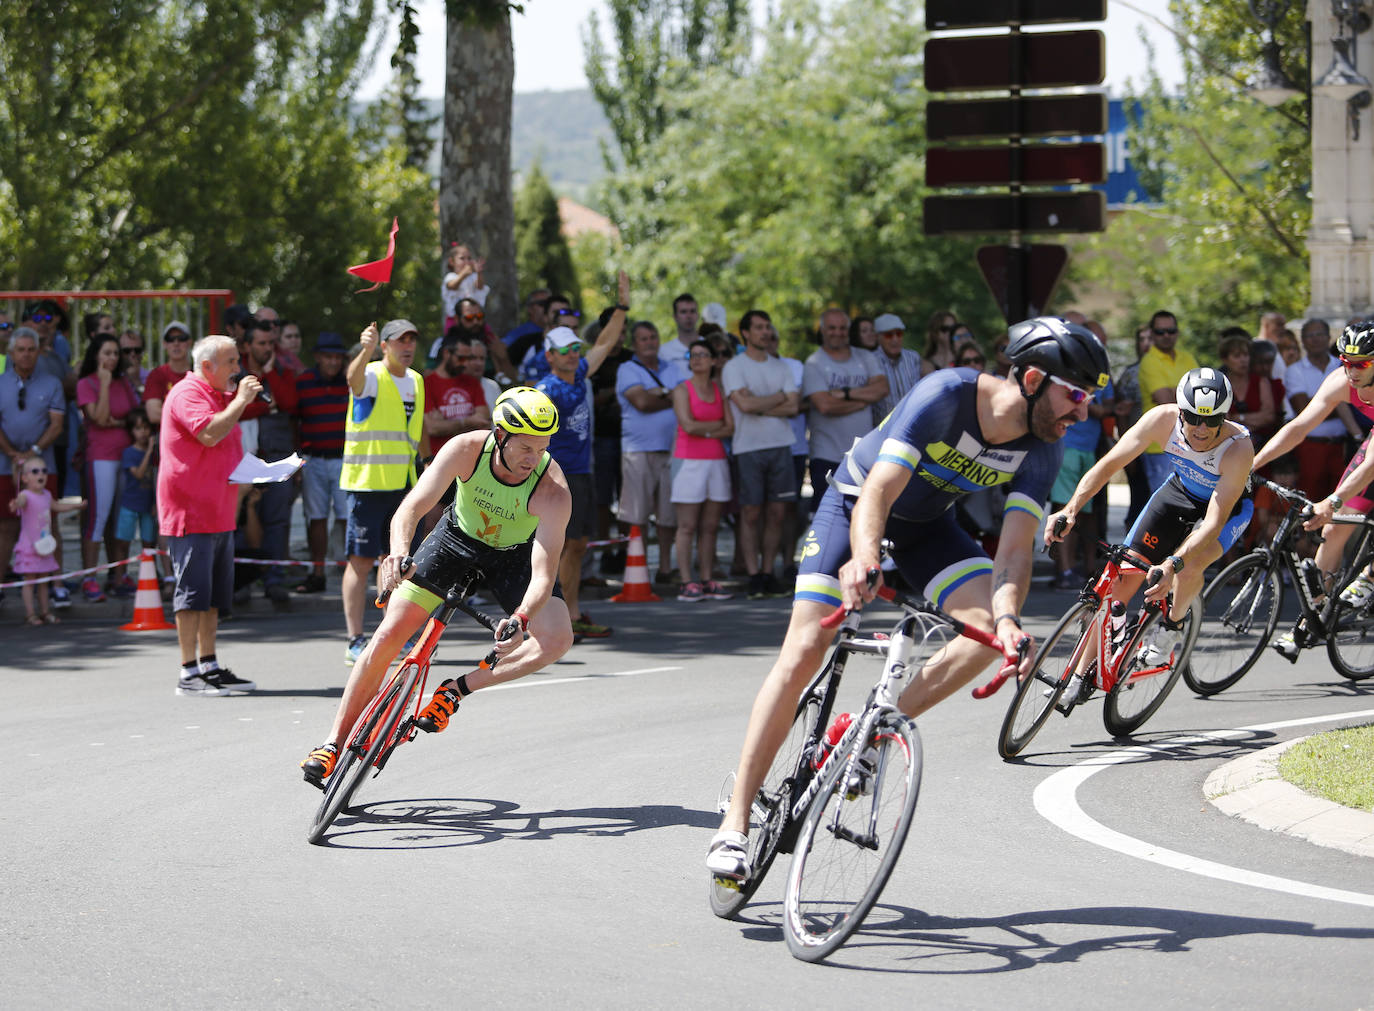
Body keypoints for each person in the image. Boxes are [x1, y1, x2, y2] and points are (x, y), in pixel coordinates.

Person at [706, 316, 1110, 882]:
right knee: (804, 649)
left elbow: (1015, 551)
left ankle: (868, 730)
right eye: (1076, 395)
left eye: (1089, 398)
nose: (1082, 412)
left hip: (926, 528)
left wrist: (1009, 618)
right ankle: (736, 822)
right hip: (854, 507)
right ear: (1033, 378)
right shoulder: (946, 394)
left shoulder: (1041, 449)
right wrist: (864, 557)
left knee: (985, 640)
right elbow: (879, 487)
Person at [300, 386, 575, 785]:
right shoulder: (465, 449)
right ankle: (332, 743)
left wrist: (520, 617)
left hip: (513, 555)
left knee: (557, 639)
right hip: (455, 541)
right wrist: (397, 553)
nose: (534, 460)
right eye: (525, 448)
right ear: (500, 436)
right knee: (390, 633)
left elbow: (544, 574)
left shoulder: (553, 491)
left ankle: (455, 691)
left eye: (542, 448)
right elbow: (411, 508)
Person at [1046, 367, 1252, 670]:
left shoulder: (1239, 447)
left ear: (1225, 417)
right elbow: (1109, 464)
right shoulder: (1162, 420)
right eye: (1193, 418)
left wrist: (1171, 564)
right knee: (1123, 577)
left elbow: (1212, 522)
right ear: (1180, 411)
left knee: (1190, 565)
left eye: (1213, 420)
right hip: (1180, 494)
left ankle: (1171, 627)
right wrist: (1070, 509)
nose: (1202, 429)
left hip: (1225, 510)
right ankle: (1079, 675)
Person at [1252, 321, 1374, 658]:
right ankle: (1313, 621)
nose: (1351, 370)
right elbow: (1299, 427)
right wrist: (1252, 464)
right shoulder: (1341, 380)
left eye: (1361, 363)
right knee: (1334, 530)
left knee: (1336, 508)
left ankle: (1369, 576)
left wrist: (1332, 501)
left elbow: (1370, 468)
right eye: (1345, 361)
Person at [158, 335, 259, 696]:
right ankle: (188, 672)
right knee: (192, 595)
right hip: (191, 511)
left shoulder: (220, 396)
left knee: (215, 596)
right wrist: (242, 400)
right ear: (207, 367)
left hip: (219, 511)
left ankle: (210, 665)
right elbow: (209, 434)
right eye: (231, 362)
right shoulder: (188, 394)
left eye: (237, 360)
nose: (237, 368)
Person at [536, 277, 630, 639]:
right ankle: (553, 617)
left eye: (576, 347)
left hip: (581, 473)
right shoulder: (546, 390)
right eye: (565, 350)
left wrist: (621, 308)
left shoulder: (579, 377)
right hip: (557, 476)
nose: (573, 353)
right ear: (550, 356)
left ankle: (569, 613)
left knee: (576, 545)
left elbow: (605, 342)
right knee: (560, 546)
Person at [341, 319, 428, 665]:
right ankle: (354, 639)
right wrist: (364, 349)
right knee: (360, 562)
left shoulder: (417, 380)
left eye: (412, 340)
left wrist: (427, 470)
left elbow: (418, 431)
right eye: (399, 341)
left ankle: (389, 635)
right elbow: (353, 380)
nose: (407, 346)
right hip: (367, 484)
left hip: (403, 486)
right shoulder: (373, 374)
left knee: (393, 562)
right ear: (385, 346)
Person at [720, 309, 800, 598]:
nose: (766, 332)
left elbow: (794, 406)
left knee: (777, 513)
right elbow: (745, 406)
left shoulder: (780, 366)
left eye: (768, 327)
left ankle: (768, 572)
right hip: (748, 448)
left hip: (780, 445)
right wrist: (777, 399)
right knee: (751, 513)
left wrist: (760, 405)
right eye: (759, 328)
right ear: (746, 333)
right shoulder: (734, 366)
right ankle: (754, 575)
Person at [615, 319, 685, 585]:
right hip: (637, 450)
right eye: (644, 339)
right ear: (635, 344)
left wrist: (661, 392)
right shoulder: (627, 369)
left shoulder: (672, 367)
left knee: (668, 516)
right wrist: (670, 395)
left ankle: (666, 568)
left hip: (671, 450)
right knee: (637, 515)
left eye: (653, 337)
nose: (650, 342)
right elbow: (642, 402)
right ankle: (640, 569)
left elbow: (684, 396)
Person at [801, 308, 888, 517]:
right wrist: (861, 402)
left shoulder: (864, 357)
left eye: (842, 328)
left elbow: (882, 389)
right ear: (822, 330)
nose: (837, 332)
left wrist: (845, 393)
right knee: (827, 517)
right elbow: (825, 406)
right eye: (832, 328)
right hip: (826, 455)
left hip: (863, 455)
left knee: (863, 517)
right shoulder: (814, 363)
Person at [0, 328, 66, 589]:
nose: (26, 355)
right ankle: (2, 587)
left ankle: (57, 586)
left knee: (49, 523)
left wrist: (32, 453)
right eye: (21, 350)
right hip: (5, 465)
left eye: (31, 349)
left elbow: (56, 425)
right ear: (11, 353)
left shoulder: (52, 383)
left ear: (38, 351)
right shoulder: (1, 382)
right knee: (5, 526)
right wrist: (10, 452)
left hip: (42, 466)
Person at [76, 334, 138, 601]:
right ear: (96, 355)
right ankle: (90, 578)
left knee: (120, 519)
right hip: (100, 457)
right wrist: (102, 383)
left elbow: (136, 417)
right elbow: (99, 418)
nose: (112, 358)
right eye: (107, 353)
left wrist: (118, 422)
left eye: (115, 353)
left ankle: (118, 575)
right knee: (98, 518)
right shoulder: (86, 383)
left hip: (125, 457)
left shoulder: (124, 382)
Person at [670, 339, 734, 600]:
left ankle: (707, 578)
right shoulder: (682, 389)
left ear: (714, 360)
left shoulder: (720, 388)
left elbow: (730, 427)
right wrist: (713, 428)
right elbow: (687, 425)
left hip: (716, 461)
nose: (697, 359)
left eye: (703, 354)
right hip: (688, 462)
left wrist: (704, 429)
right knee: (687, 525)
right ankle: (687, 581)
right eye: (693, 354)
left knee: (710, 526)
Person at [1283, 318, 1362, 507]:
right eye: (1310, 335)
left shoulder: (1343, 366)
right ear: (1302, 340)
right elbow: (1303, 409)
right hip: (1310, 447)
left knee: (1343, 501)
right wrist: (1340, 403)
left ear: (1329, 338)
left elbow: (1357, 402)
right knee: (1307, 502)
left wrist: (1321, 403)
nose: (1315, 339)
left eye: (1320, 334)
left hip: (1343, 446)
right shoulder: (1294, 370)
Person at [293, 331, 351, 593]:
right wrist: (297, 459)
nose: (333, 362)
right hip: (313, 460)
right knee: (316, 517)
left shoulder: (350, 381)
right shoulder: (303, 382)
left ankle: (352, 572)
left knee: (347, 517)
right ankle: (317, 572)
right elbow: (295, 421)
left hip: (345, 460)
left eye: (337, 357)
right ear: (317, 357)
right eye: (327, 357)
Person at [8, 453, 84, 624]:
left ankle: (45, 611)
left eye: (44, 471)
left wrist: (76, 505)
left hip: (45, 546)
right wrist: (16, 504)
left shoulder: (47, 495)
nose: (41, 474)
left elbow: (57, 506)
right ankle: (30, 614)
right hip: (30, 546)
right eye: (35, 471)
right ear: (25, 478)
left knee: (44, 581)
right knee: (29, 581)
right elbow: (20, 501)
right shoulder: (26, 494)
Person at [1137, 310, 1200, 491]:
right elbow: (1164, 400)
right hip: (1159, 447)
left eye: (1170, 331)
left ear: (1177, 332)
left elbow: (1203, 397)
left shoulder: (1187, 357)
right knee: (1164, 510)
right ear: (1152, 334)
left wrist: (1174, 391)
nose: (1166, 335)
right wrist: (1187, 391)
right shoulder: (1149, 361)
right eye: (1160, 332)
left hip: (1191, 445)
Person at [1218, 329, 1277, 446]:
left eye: (1246, 355)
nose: (1243, 360)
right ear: (1225, 359)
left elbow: (1269, 416)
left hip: (1262, 444)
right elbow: (1223, 421)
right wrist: (1255, 419)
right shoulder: (1220, 384)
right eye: (1237, 356)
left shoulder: (1261, 382)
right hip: (1228, 445)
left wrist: (1238, 417)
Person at [116, 408, 158, 563]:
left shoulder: (157, 453)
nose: (143, 433)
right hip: (129, 504)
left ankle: (150, 577)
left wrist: (155, 503)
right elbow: (139, 474)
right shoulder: (129, 453)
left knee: (148, 543)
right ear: (131, 431)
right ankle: (120, 579)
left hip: (148, 506)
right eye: (138, 428)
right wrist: (148, 452)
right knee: (123, 543)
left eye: (146, 428)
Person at [870, 313, 922, 420]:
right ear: (878, 337)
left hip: (912, 423)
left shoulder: (913, 357)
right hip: (882, 430)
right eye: (889, 335)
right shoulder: (870, 360)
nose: (895, 339)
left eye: (899, 334)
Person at [143, 321, 194, 425]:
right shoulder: (157, 375)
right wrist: (192, 420)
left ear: (189, 342)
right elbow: (154, 414)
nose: (176, 343)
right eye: (170, 339)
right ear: (164, 344)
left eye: (181, 338)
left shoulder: (200, 374)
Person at [441, 243, 489, 330]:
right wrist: (464, 274)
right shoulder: (451, 276)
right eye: (462, 258)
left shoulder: (473, 277)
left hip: (474, 318)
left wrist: (479, 273)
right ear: (452, 261)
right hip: (454, 318)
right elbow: (452, 286)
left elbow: (480, 287)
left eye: (469, 258)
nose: (467, 262)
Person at [659, 293, 700, 364]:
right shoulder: (663, 352)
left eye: (692, 311)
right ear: (675, 316)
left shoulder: (709, 346)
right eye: (683, 312)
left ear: (698, 315)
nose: (688, 316)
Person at [918, 309, 958, 375]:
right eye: (945, 329)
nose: (950, 332)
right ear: (935, 333)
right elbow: (942, 382)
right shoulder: (926, 364)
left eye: (954, 328)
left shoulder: (964, 355)